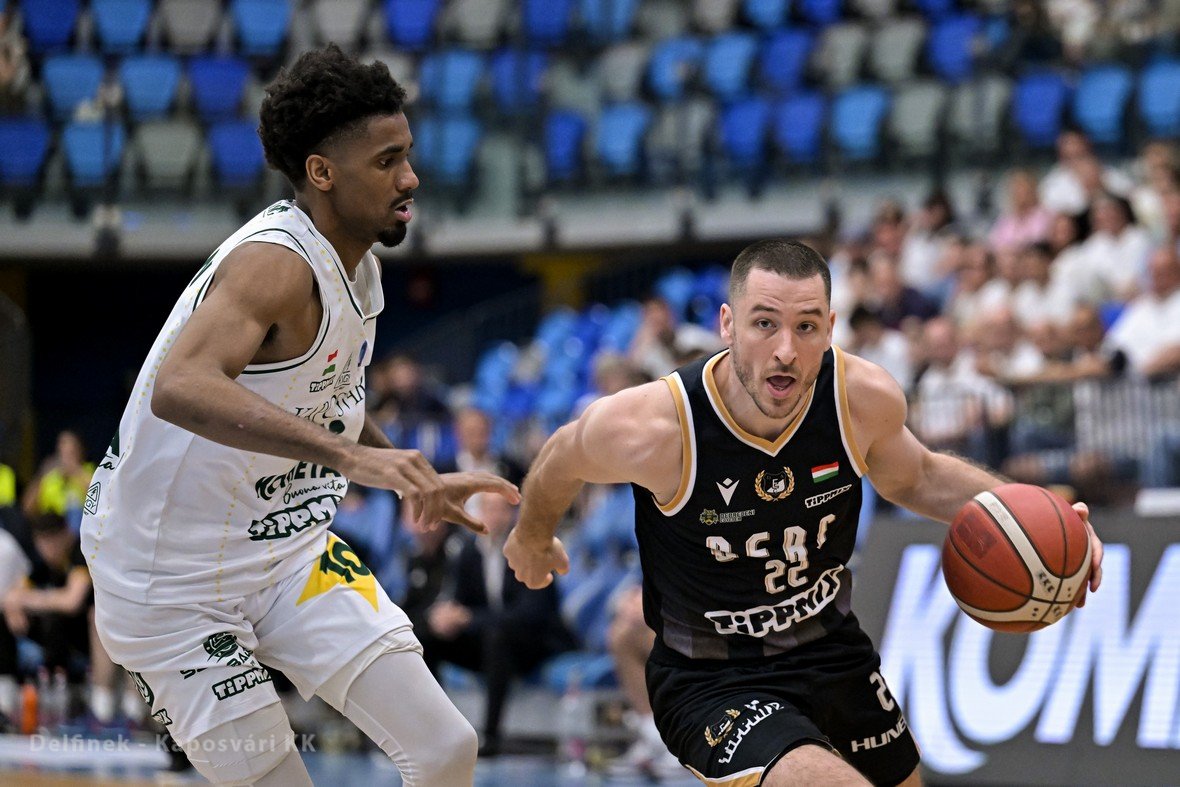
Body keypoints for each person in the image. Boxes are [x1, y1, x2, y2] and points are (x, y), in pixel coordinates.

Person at [504, 239, 1104, 787]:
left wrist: (1043, 517)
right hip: (710, 676)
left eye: (806, 326)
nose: (786, 351)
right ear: (728, 324)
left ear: (831, 328)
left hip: (830, 650)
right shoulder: (656, 426)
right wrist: (532, 534)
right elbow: (562, 456)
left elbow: (919, 476)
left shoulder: (858, 398)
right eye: (764, 324)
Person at [79, 45, 518, 787]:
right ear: (322, 172)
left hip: (285, 554)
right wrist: (352, 460)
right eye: (387, 161)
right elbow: (180, 386)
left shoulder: (360, 266)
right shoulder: (274, 262)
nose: (411, 177)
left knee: (446, 746)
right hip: (166, 581)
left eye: (407, 155)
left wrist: (405, 472)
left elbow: (329, 401)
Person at [420, 492, 575, 757]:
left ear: (513, 514)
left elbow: (532, 614)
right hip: (488, 643)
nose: (494, 517)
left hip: (532, 644)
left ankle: (491, 737)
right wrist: (445, 615)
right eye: (489, 509)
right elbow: (460, 602)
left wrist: (470, 618)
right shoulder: (468, 552)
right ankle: (434, 731)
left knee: (497, 637)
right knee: (428, 636)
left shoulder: (532, 550)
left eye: (501, 509)